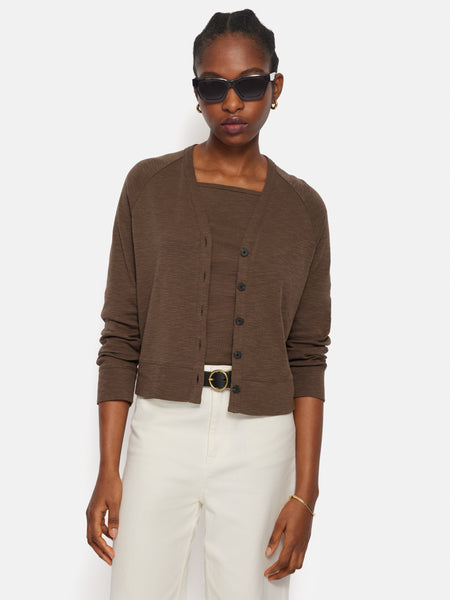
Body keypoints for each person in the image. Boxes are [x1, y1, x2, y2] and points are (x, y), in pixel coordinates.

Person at [86, 8, 332, 600]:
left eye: (250, 84)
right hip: (161, 428)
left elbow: (307, 356)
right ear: (196, 92)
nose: (232, 102)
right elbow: (120, 337)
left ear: (275, 87)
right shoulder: (147, 187)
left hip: (262, 437)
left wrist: (306, 493)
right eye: (213, 86)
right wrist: (108, 468)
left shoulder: (304, 210)